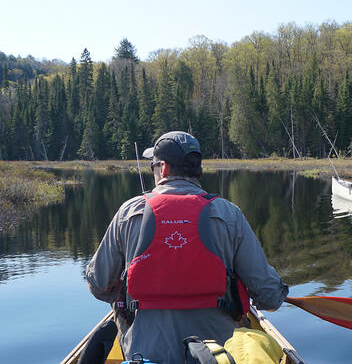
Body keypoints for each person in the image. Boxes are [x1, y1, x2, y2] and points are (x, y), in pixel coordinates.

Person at [85, 131, 288, 363]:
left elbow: (98, 285)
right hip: (217, 356)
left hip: (145, 354)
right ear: (196, 168)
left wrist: (128, 293)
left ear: (163, 168)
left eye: (153, 166)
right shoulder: (229, 214)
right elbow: (271, 298)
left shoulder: (129, 213)